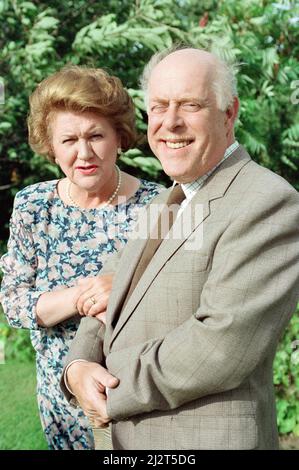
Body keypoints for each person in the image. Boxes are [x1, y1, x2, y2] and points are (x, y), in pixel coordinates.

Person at [61, 47, 299, 450]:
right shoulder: (167, 201)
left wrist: (108, 384)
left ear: (228, 113)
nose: (170, 123)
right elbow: (112, 291)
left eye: (190, 105)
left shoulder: (266, 201)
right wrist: (78, 366)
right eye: (158, 107)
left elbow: (223, 344)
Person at [0, 65, 163, 450]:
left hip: (136, 402)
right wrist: (81, 297)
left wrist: (121, 290)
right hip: (60, 405)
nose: (84, 153)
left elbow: (182, 301)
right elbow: (13, 303)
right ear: (51, 146)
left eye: (96, 136)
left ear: (119, 138)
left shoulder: (158, 207)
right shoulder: (33, 206)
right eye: (69, 139)